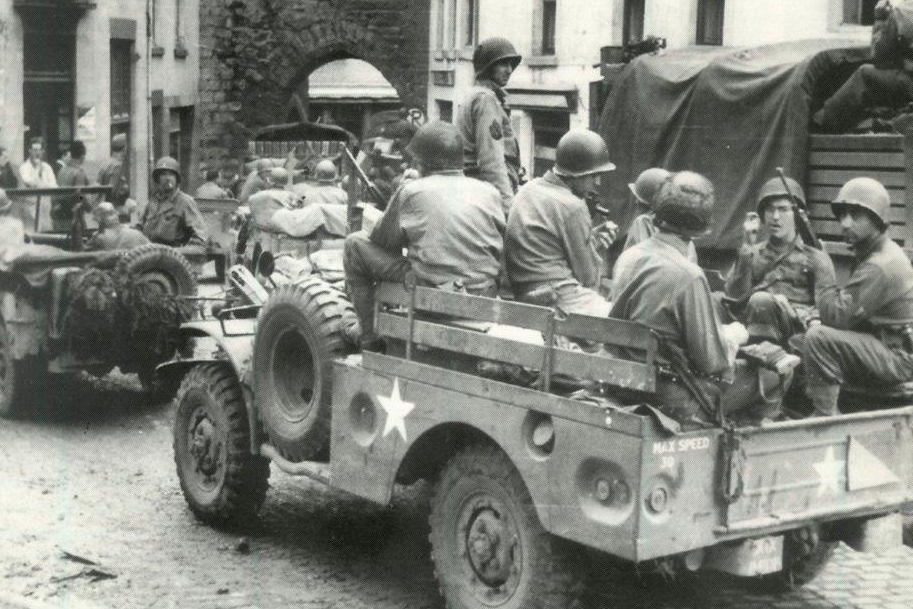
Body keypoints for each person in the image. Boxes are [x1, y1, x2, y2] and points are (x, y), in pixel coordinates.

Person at [612, 171, 791, 426]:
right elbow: (711, 362)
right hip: (677, 398)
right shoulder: (688, 275)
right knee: (776, 375)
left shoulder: (628, 258)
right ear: (699, 229)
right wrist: (736, 334)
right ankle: (736, 445)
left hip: (627, 383)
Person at [344, 121, 505, 348]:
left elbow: (384, 241)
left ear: (421, 161)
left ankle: (368, 336)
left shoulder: (412, 191)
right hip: (482, 293)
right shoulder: (490, 192)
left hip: (436, 295)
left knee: (354, 245)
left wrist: (403, 192)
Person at [801, 177, 913, 416]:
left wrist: (824, 271)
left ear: (877, 219)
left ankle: (825, 416)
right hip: (881, 344)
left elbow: (836, 318)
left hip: (898, 358)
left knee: (818, 338)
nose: (845, 223)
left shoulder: (881, 265)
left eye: (855, 215)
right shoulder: (872, 252)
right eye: (842, 215)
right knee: (800, 338)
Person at [506, 129, 616, 318]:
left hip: (526, 293)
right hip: (559, 299)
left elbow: (546, 244)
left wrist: (591, 239)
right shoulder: (573, 206)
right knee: (624, 325)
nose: (596, 183)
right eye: (593, 175)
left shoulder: (529, 189)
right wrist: (595, 251)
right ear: (577, 174)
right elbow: (588, 279)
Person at [724, 176, 837, 346]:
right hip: (753, 323)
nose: (775, 217)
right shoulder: (753, 252)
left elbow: (827, 308)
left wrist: (798, 314)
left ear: (798, 216)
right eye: (769, 210)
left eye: (783, 209)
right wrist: (747, 246)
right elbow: (733, 296)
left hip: (793, 329)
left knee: (761, 299)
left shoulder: (814, 255)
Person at [814, 1, 913, 132]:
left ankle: (821, 123)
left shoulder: (904, 9)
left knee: (864, 74)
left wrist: (881, 20)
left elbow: (881, 57)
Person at [458, 37, 523, 205]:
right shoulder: (486, 99)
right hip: (487, 194)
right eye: (503, 64)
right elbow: (491, 161)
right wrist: (508, 206)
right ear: (488, 68)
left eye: (511, 65)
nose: (509, 70)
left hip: (476, 189)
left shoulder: (476, 95)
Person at [623, 167, 699, 264]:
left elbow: (635, 262)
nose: (636, 202)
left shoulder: (643, 221)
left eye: (639, 199)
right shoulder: (679, 228)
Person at [139, 156, 208, 249]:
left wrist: (183, 253)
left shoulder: (185, 201)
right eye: (163, 174)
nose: (167, 178)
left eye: (171, 174)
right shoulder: (152, 202)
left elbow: (201, 236)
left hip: (172, 256)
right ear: (158, 179)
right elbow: (139, 227)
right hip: (149, 252)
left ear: (177, 178)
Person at [18, 137, 57, 231]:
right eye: (35, 150)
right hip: (30, 211)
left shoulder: (47, 167)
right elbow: (30, 182)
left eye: (40, 150)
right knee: (32, 238)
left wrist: (44, 185)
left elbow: (54, 186)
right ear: (29, 151)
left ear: (43, 151)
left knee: (46, 237)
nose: (38, 153)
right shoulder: (24, 168)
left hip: (45, 210)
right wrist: (38, 170)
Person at [53, 140, 90, 231]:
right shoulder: (79, 172)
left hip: (59, 215)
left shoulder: (62, 171)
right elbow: (80, 196)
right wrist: (89, 207)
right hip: (73, 217)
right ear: (82, 157)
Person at [97, 133, 130, 207]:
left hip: (101, 204)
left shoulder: (105, 163)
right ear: (124, 149)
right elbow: (112, 191)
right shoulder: (117, 165)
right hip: (112, 206)